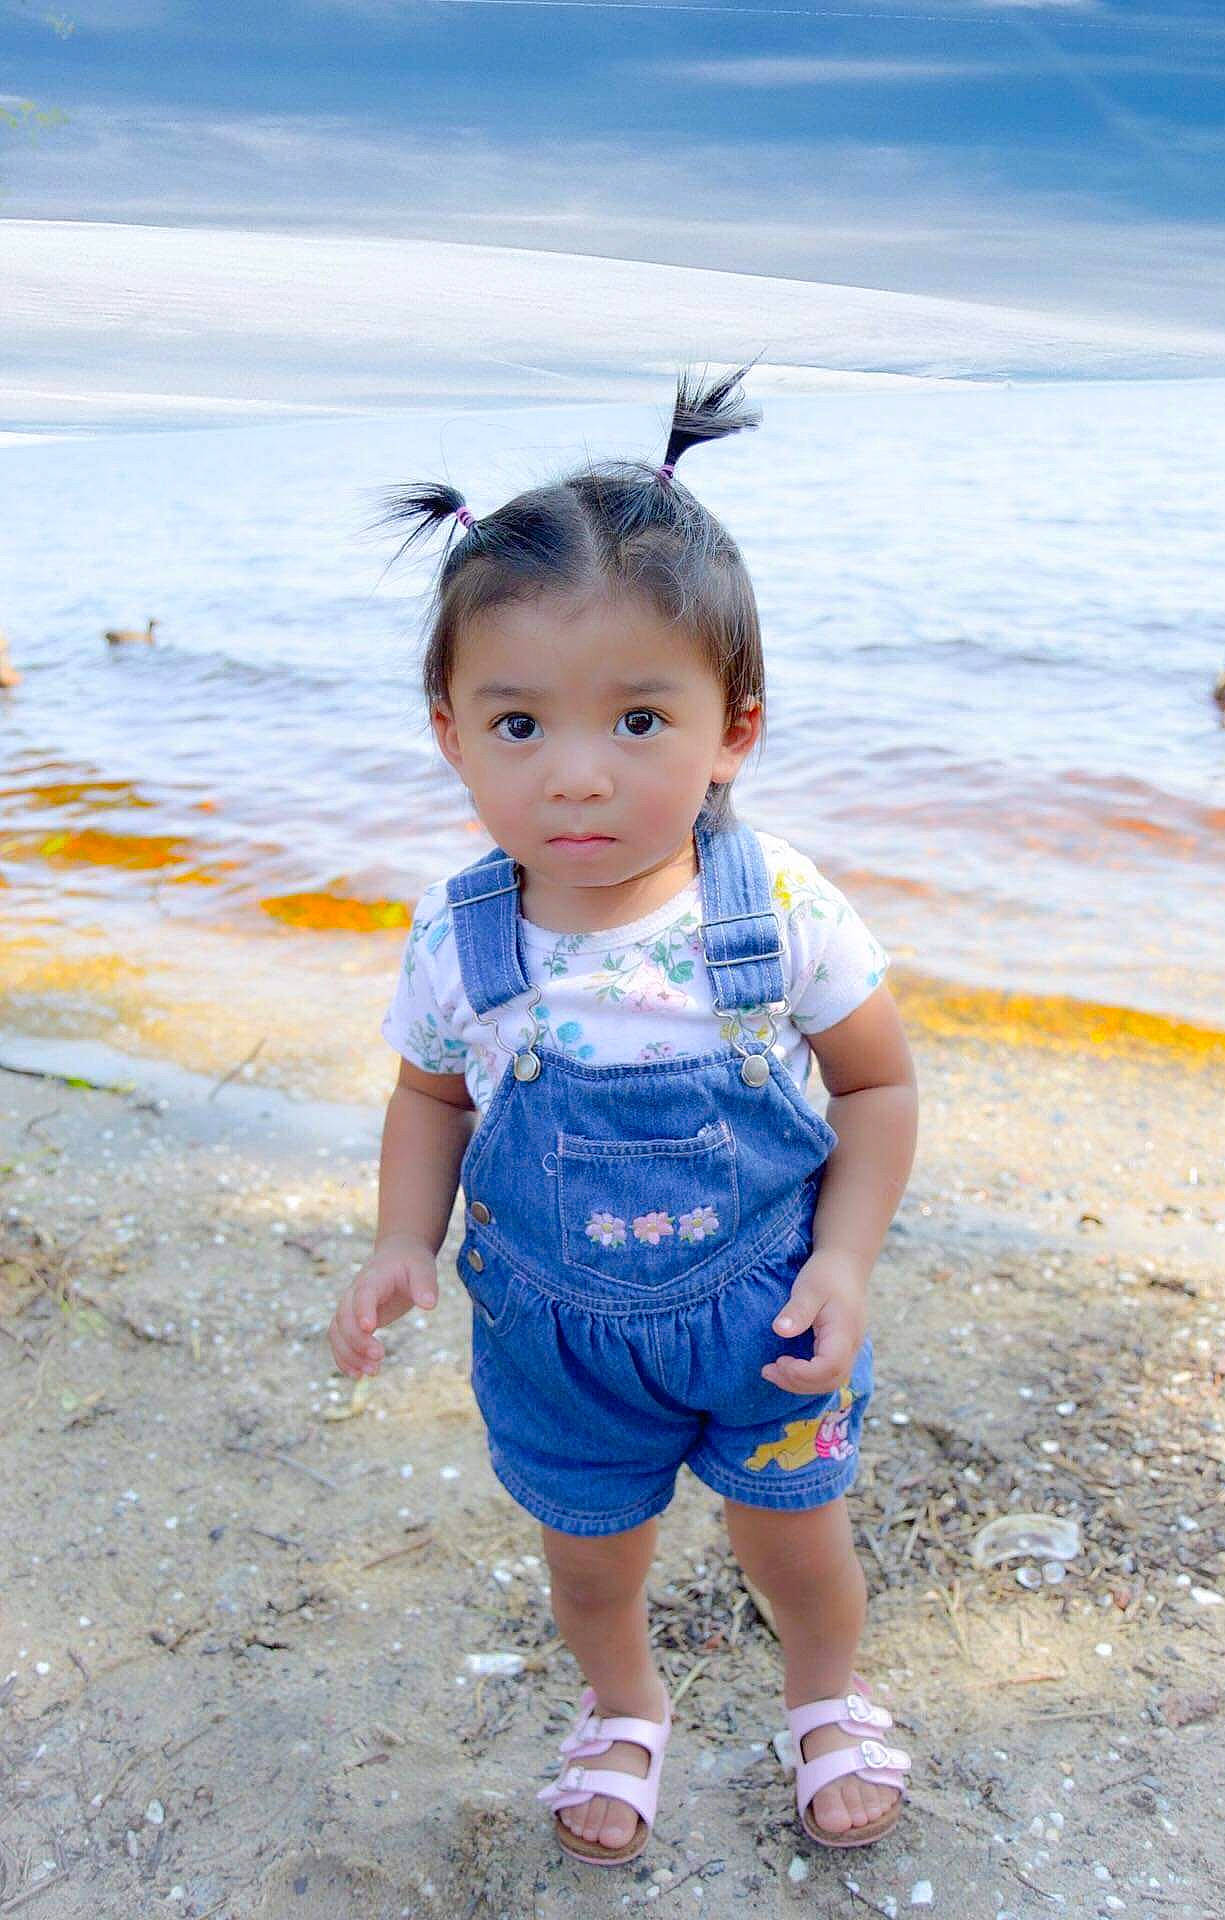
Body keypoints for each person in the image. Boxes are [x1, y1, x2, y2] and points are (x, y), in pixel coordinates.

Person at [328, 364, 919, 1867]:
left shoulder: (770, 903)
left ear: (735, 729)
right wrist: (407, 1236)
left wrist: (845, 1265)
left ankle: (826, 1696)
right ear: (452, 732)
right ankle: (624, 1706)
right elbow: (428, 1093)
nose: (577, 775)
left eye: (641, 718)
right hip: (554, 1337)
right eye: (518, 725)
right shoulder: (466, 939)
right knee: (590, 1564)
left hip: (767, 1317)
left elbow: (877, 1083)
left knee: (799, 1547)